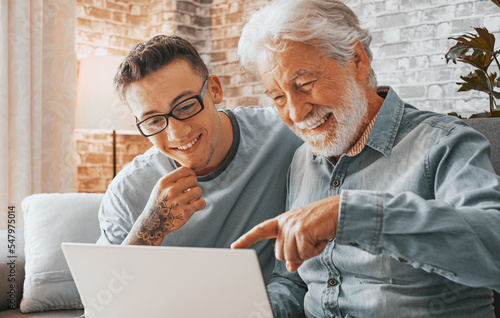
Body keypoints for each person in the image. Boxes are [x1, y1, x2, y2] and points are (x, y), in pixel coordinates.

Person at [231, 0, 500, 317]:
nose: (295, 111)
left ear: (356, 60)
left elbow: (492, 244)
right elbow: (293, 282)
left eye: (304, 84)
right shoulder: (302, 160)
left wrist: (353, 215)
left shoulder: (445, 142)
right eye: (277, 97)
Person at [95, 35, 304, 289]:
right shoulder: (127, 191)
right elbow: (102, 297)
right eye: (153, 121)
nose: (176, 134)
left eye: (184, 107)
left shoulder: (286, 135)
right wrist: (149, 230)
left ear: (214, 90)